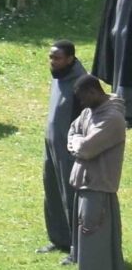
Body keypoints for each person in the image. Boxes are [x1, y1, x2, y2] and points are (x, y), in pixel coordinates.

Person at [66, 74, 126, 270]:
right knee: (90, 240)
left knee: (96, 241)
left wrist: (78, 144)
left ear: (93, 91)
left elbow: (88, 148)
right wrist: (78, 142)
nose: (81, 104)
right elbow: (72, 131)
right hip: (86, 184)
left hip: (99, 186)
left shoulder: (111, 118)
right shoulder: (90, 112)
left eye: (82, 98)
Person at [42, 42, 87, 258]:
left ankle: (77, 248)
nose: (52, 62)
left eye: (57, 58)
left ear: (70, 59)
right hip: (51, 146)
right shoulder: (58, 76)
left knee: (71, 197)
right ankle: (58, 239)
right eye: (51, 57)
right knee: (52, 191)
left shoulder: (81, 83)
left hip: (69, 151)